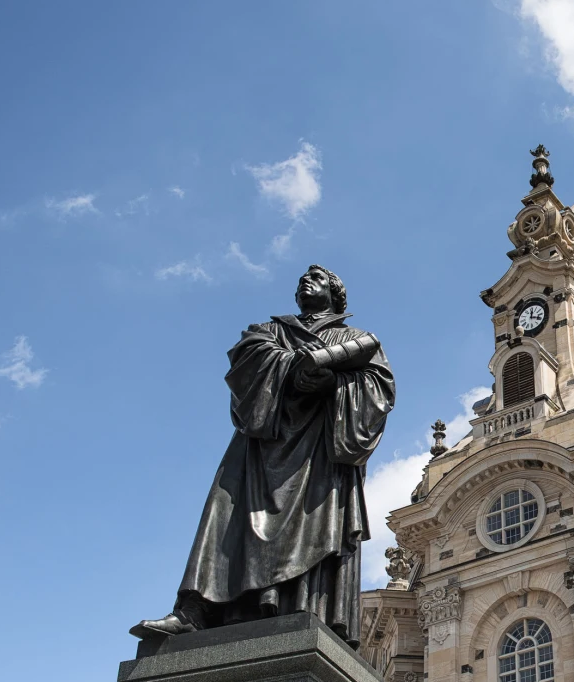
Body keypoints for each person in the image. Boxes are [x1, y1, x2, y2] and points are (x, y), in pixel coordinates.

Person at [132, 265, 394, 647]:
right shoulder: (269, 331)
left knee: (312, 522)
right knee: (224, 513)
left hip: (319, 447)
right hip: (263, 442)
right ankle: (194, 611)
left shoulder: (355, 337)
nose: (306, 282)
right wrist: (294, 367)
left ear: (336, 294)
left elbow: (378, 391)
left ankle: (305, 608)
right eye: (302, 279)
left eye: (317, 279)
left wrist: (333, 382)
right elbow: (248, 363)